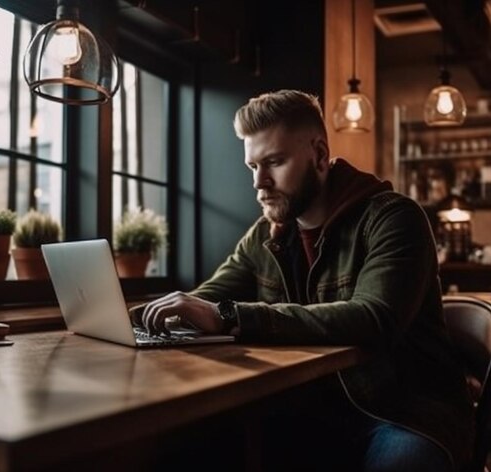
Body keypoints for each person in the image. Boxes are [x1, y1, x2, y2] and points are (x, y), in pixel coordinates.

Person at [133, 90, 473, 471]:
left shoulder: (392, 218)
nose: (259, 182)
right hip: (311, 412)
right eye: (252, 166)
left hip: (405, 411)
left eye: (275, 162)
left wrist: (231, 316)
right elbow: (205, 301)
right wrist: (141, 316)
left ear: (320, 156)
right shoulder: (266, 235)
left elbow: (375, 318)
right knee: (190, 448)